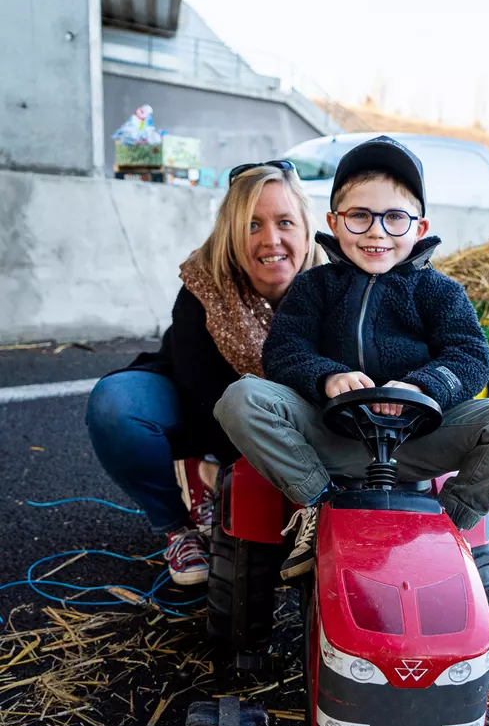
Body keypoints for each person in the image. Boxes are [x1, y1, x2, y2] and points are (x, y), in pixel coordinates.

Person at [214, 136, 489, 580]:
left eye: (394, 217)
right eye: (360, 216)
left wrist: (422, 386)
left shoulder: (439, 291)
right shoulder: (315, 286)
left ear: (419, 225)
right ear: (335, 222)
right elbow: (284, 351)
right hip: (330, 436)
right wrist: (328, 377)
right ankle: (320, 506)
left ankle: (447, 524)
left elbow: (470, 357)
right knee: (241, 399)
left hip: (416, 440)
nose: (377, 231)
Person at [86, 161, 324, 584]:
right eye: (252, 225)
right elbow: (203, 396)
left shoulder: (336, 282)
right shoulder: (203, 284)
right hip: (200, 407)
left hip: (290, 419)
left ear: (307, 229)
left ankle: (217, 481)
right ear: (232, 238)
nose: (271, 239)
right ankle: (179, 525)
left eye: (285, 221)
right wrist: (225, 471)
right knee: (115, 406)